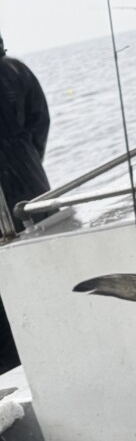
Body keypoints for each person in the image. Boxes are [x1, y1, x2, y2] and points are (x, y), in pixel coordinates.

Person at [0, 32, 51, 372]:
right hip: (31, 180)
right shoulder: (16, 69)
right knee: (44, 261)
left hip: (18, 179)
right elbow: (40, 122)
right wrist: (28, 156)